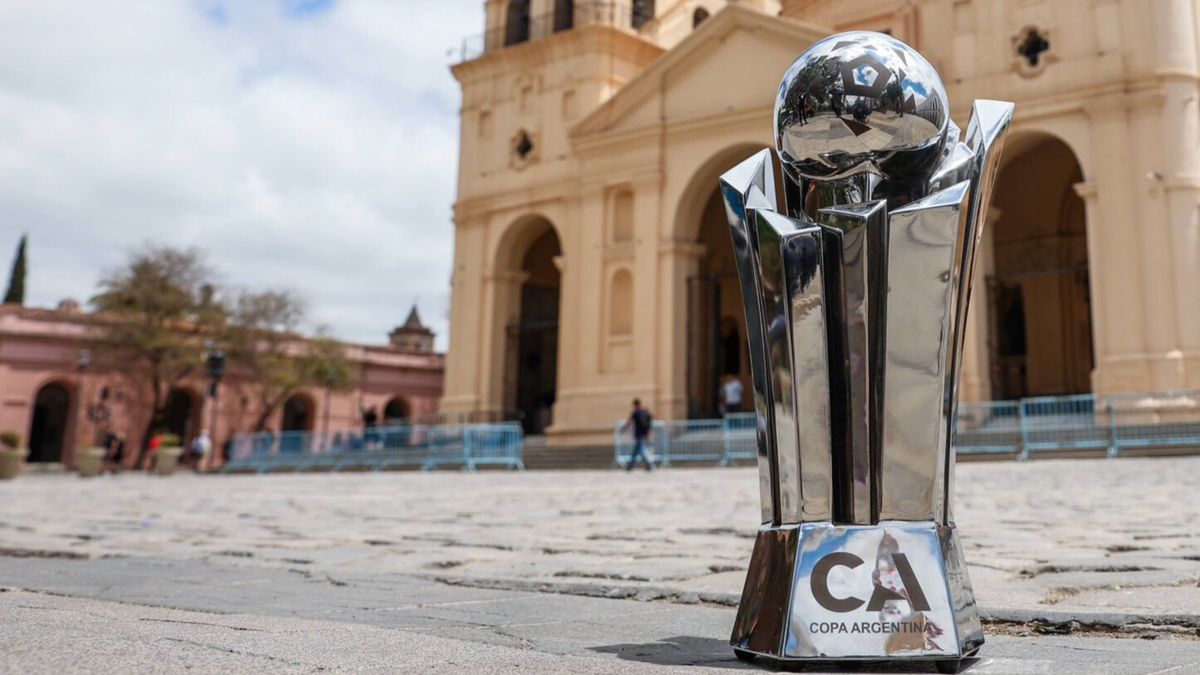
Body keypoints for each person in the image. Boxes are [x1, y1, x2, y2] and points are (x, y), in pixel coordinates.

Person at [620, 399, 654, 471]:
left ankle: (647, 464)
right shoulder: (645, 411)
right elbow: (650, 420)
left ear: (635, 405)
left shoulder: (636, 412)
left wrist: (623, 429)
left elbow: (629, 421)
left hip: (639, 434)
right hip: (644, 433)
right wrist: (648, 432)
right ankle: (630, 465)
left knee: (641, 450)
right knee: (636, 450)